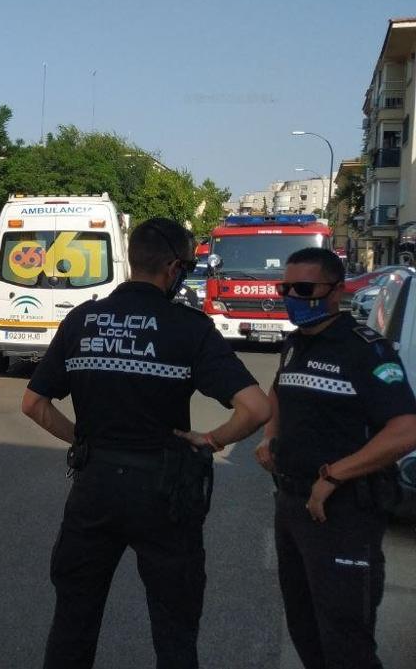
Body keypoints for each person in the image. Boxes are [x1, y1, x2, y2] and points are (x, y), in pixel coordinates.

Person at [21, 217, 271, 669]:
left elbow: (34, 403)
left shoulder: (82, 320)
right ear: (173, 268)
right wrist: (211, 439)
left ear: (133, 259)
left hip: (94, 486)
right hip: (165, 494)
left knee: (74, 618)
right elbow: (256, 408)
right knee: (174, 628)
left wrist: (81, 439)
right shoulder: (189, 329)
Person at [256, 247, 416, 669]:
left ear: (336, 292)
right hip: (292, 505)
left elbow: (406, 429)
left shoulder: (366, 350)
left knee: (346, 638)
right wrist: (270, 435)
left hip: (344, 512)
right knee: (304, 626)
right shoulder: (294, 344)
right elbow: (279, 391)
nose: (291, 295)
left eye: (303, 288)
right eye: (284, 287)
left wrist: (334, 476)